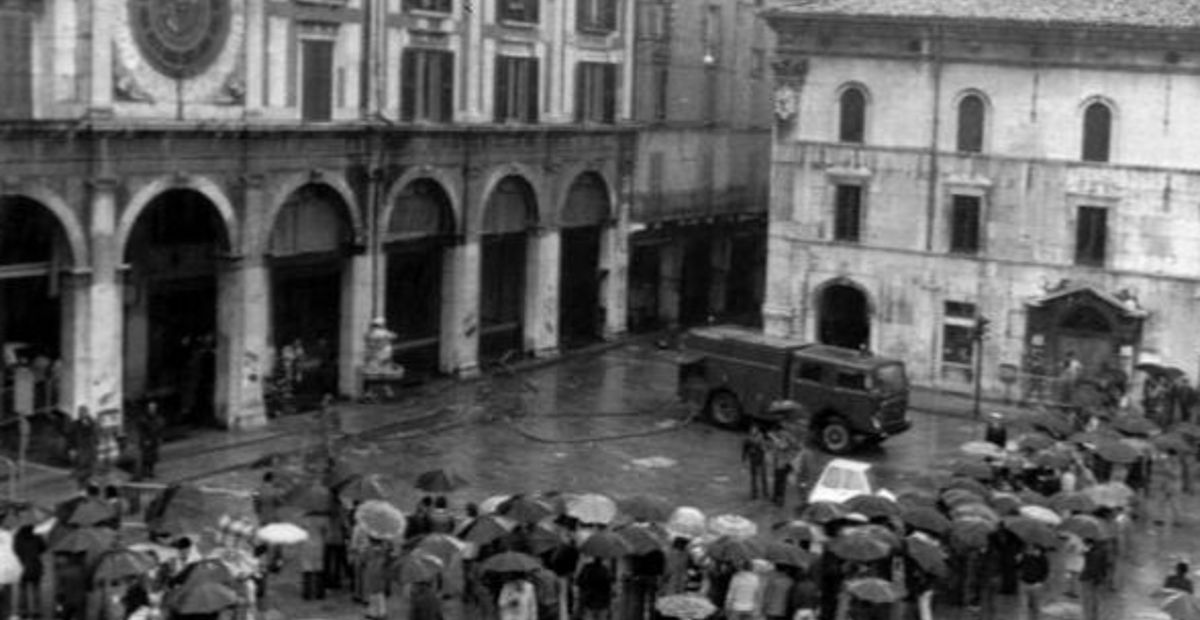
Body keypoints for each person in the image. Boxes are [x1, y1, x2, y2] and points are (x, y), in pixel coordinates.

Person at [14, 524, 45, 618]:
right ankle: (36, 610)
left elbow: (15, 550)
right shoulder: (37, 536)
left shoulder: (18, 537)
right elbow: (44, 548)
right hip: (35, 566)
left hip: (22, 566)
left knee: (22, 589)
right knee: (36, 589)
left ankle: (23, 611)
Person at [767, 425, 798, 507]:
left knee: (781, 482)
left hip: (783, 463)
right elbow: (774, 449)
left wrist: (773, 437)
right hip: (778, 462)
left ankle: (780, 500)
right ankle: (775, 497)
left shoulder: (784, 436)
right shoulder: (780, 436)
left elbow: (783, 446)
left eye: (775, 432)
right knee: (777, 480)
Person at [1016, 546, 1050, 620]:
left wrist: (1040, 582)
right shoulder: (1026, 557)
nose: (1034, 552)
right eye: (1033, 550)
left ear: (1040, 551)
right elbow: (1018, 567)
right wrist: (1018, 560)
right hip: (1024, 584)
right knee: (1023, 606)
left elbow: (1046, 572)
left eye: (1036, 550)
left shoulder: (1044, 560)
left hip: (1035, 586)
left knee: (1035, 607)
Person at [1079, 539, 1108, 620]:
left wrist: (1087, 553)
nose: (1083, 546)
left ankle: (1088, 617)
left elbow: (1092, 567)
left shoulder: (1094, 553)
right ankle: (1094, 617)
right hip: (1096, 579)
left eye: (1084, 544)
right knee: (1094, 600)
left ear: (1090, 544)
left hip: (1088, 579)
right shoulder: (1101, 552)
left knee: (1087, 601)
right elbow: (1103, 567)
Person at [137, 401, 164, 479]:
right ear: (148, 409)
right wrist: (145, 440)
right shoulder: (143, 418)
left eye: (154, 408)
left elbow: (159, 428)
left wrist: (159, 438)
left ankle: (151, 471)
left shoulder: (157, 418)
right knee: (145, 457)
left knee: (153, 456)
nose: (152, 409)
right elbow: (141, 430)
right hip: (146, 440)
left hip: (154, 439)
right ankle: (144, 471)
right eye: (151, 408)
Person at [743, 425, 768, 500]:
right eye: (752, 430)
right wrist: (744, 458)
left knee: (763, 477)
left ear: (757, 430)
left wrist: (759, 448)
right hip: (753, 459)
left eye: (755, 429)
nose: (753, 431)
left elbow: (764, 449)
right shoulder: (748, 439)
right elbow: (745, 449)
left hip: (760, 459)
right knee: (754, 477)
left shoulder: (760, 438)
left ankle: (765, 492)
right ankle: (754, 493)